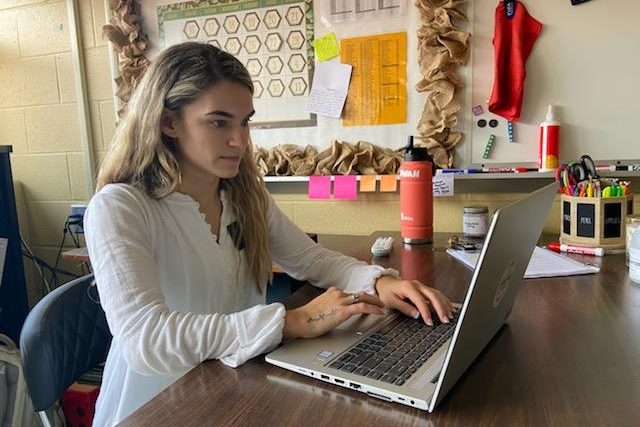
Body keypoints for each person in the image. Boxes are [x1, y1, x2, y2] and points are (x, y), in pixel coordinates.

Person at [84, 41, 453, 426]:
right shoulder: (120, 207)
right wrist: (293, 321)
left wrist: (379, 282)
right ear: (168, 121)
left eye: (245, 121)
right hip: (159, 405)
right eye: (218, 122)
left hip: (233, 387)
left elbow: (310, 259)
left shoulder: (244, 195)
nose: (240, 141)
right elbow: (146, 340)